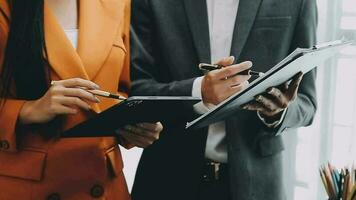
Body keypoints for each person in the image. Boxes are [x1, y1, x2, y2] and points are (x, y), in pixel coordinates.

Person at [130, 0, 317, 200]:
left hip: (257, 184)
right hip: (165, 178)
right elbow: (137, 89)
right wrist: (198, 91)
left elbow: (307, 103)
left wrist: (278, 111)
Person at [0, 0, 163, 199]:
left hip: (105, 184)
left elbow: (120, 89)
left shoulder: (117, 3)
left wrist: (134, 127)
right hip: (29, 186)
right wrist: (27, 110)